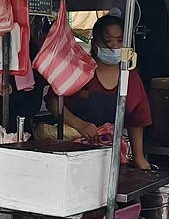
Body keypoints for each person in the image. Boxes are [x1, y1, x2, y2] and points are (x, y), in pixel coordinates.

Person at [46, 14, 152, 169]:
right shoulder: (79, 70)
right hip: (72, 155)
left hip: (111, 158)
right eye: (108, 41)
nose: (115, 47)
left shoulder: (131, 79)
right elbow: (53, 101)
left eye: (120, 41)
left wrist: (139, 159)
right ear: (95, 44)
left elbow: (137, 120)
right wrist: (80, 125)